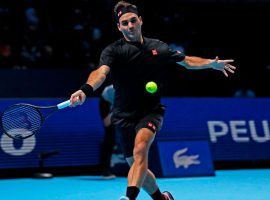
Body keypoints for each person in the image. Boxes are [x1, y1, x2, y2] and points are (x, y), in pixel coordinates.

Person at [70, 1, 236, 200]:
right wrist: (85, 89)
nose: (130, 26)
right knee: (137, 166)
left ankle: (129, 197)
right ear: (119, 27)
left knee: (141, 149)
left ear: (140, 20)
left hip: (151, 111)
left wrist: (211, 64)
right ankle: (161, 198)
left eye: (133, 20)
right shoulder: (113, 51)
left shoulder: (158, 47)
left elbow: (187, 61)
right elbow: (100, 73)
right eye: (125, 23)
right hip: (123, 115)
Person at [99, 84, 117, 179]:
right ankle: (105, 170)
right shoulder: (108, 92)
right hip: (109, 103)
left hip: (127, 107)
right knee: (109, 135)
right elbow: (107, 122)